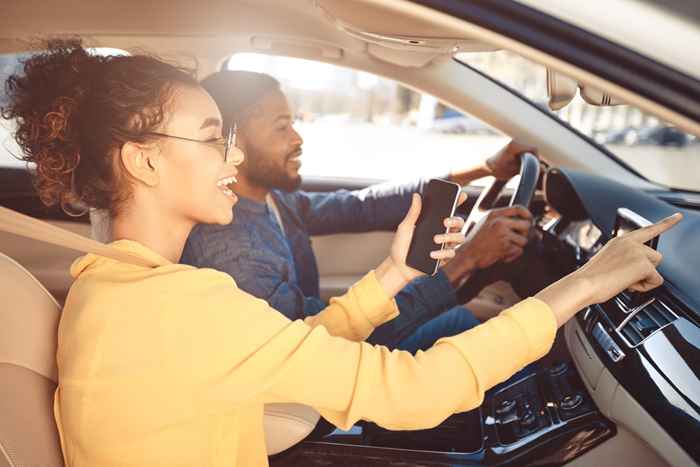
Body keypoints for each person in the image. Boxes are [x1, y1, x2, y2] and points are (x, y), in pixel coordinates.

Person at [3, 39, 680, 467]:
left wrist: (391, 274)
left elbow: (281, 345)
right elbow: (416, 389)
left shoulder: (117, 287)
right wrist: (584, 285)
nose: (232, 157)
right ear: (144, 160)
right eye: (213, 137)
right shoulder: (183, 305)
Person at [182, 70, 535, 352]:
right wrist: (466, 260)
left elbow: (363, 206)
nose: (297, 138)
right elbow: (321, 344)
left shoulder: (273, 199)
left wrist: (484, 168)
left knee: (466, 322)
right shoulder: (230, 245)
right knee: (466, 329)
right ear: (233, 141)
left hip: (335, 342)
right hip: (322, 365)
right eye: (281, 126)